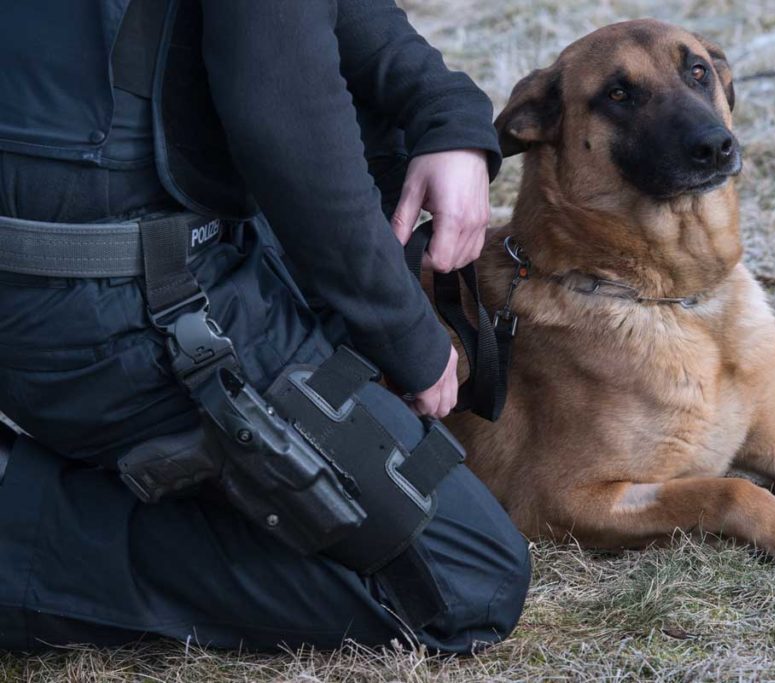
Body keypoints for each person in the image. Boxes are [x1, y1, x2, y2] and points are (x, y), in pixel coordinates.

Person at [0, 0, 530, 653]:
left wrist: (445, 112)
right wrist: (410, 339)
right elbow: (283, 108)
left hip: (72, 255)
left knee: (379, 121)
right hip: (118, 295)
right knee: (465, 581)